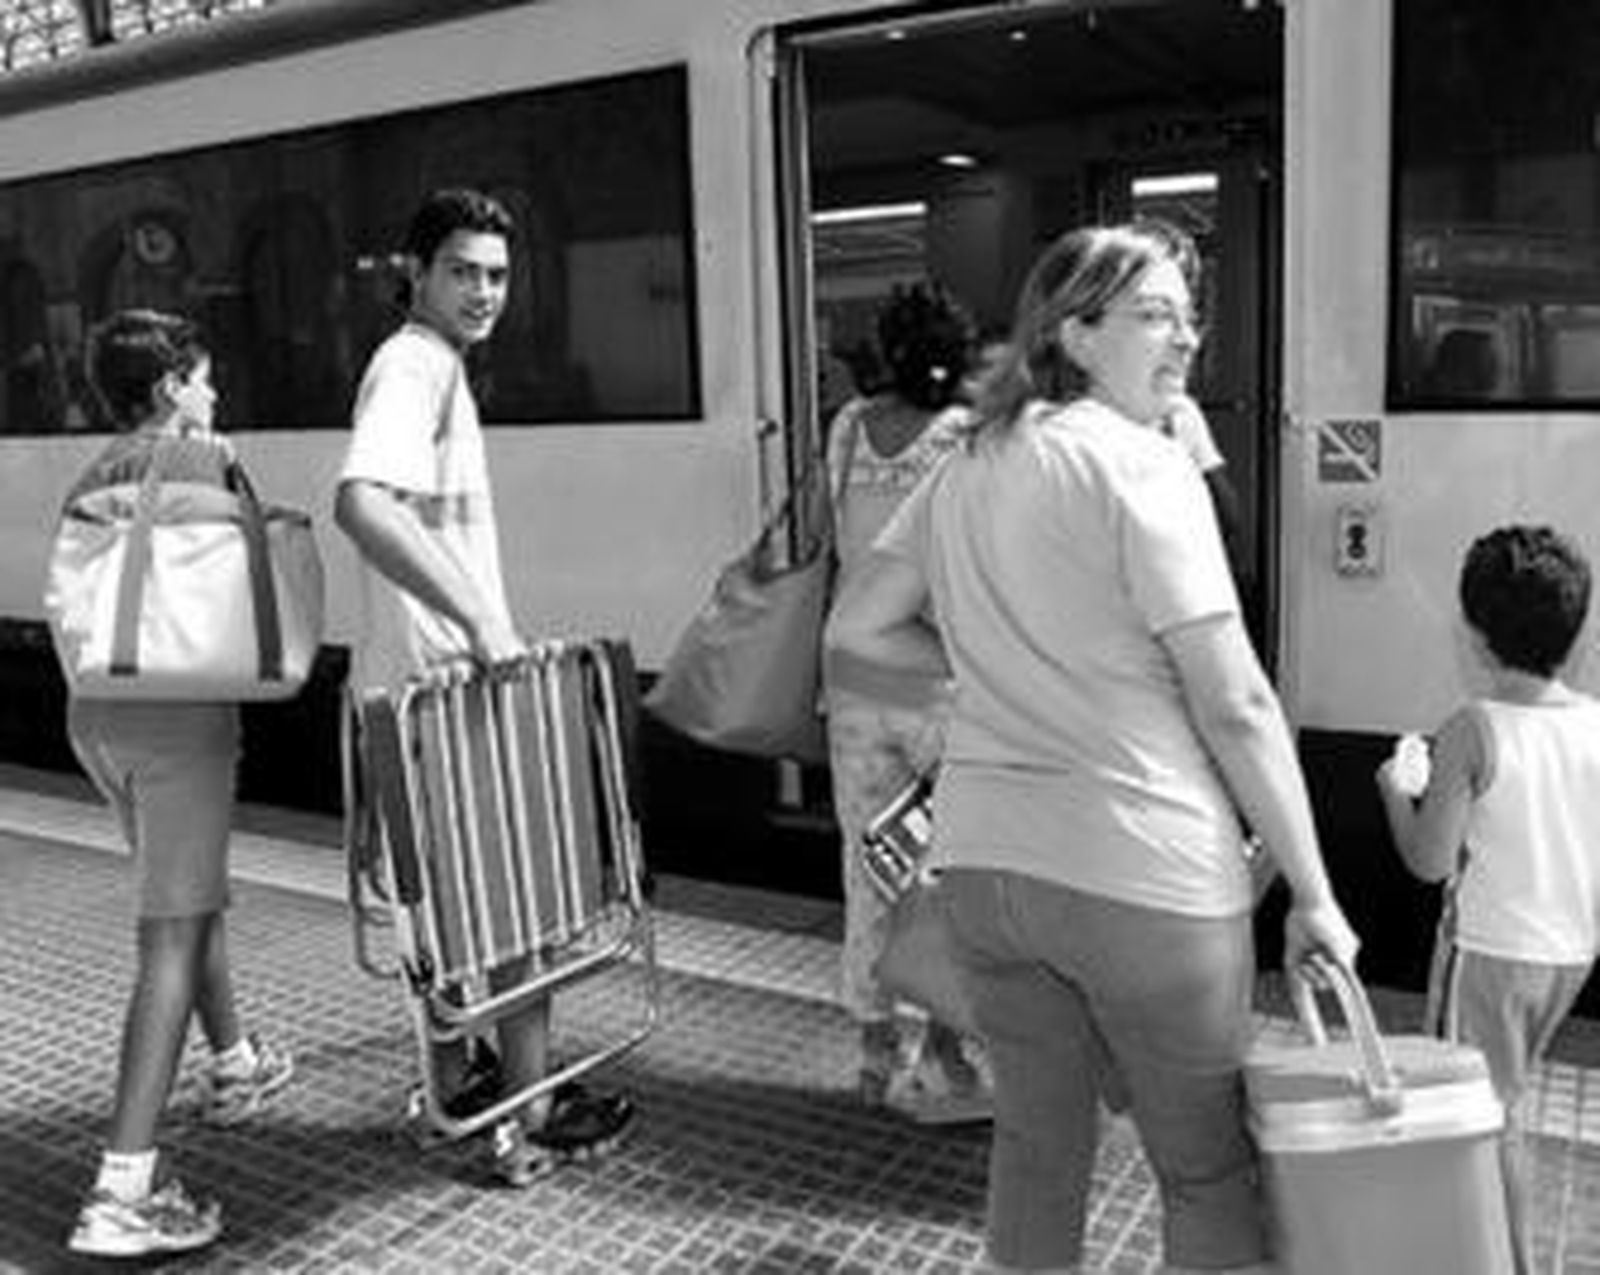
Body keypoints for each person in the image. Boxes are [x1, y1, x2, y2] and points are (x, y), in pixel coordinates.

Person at [825, 221, 1359, 1274]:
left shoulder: (966, 463)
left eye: (1189, 318)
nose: (1186, 338)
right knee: (1204, 1174)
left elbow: (856, 629)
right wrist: (1314, 892)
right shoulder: (1145, 466)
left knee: (1036, 1149)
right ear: (1073, 332)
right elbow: (1237, 703)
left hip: (987, 871)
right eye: (1155, 315)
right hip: (1143, 873)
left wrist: (990, 667)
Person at [334, 187, 632, 1186]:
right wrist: (483, 622)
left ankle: (465, 1094)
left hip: (419, 686)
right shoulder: (415, 365)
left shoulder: (429, 367)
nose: (483, 291)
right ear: (414, 273)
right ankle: (524, 1117)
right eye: (461, 270)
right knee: (515, 915)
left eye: (498, 274)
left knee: (453, 920)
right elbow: (362, 504)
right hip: (447, 690)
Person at [59, 311, 294, 1259]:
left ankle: (234, 1064)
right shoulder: (203, 459)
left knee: (187, 903)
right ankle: (122, 1189)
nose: (214, 394)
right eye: (202, 379)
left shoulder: (94, 472)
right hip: (179, 726)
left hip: (99, 718)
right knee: (170, 935)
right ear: (168, 390)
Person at [1376, 524, 1600, 1275]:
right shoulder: (1595, 723)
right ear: (1575, 630)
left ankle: (1501, 1260)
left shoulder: (1472, 730)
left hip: (1489, 957)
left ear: (1475, 632)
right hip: (1568, 954)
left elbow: (1428, 860)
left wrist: (1394, 791)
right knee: (1508, 1100)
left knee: (1482, 1119)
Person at [822, 283, 986, 1122]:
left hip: (855, 681)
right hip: (943, 686)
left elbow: (839, 541)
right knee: (950, 873)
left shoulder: (848, 428)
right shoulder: (968, 437)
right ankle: (945, 1055)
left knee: (868, 870)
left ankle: (874, 1051)